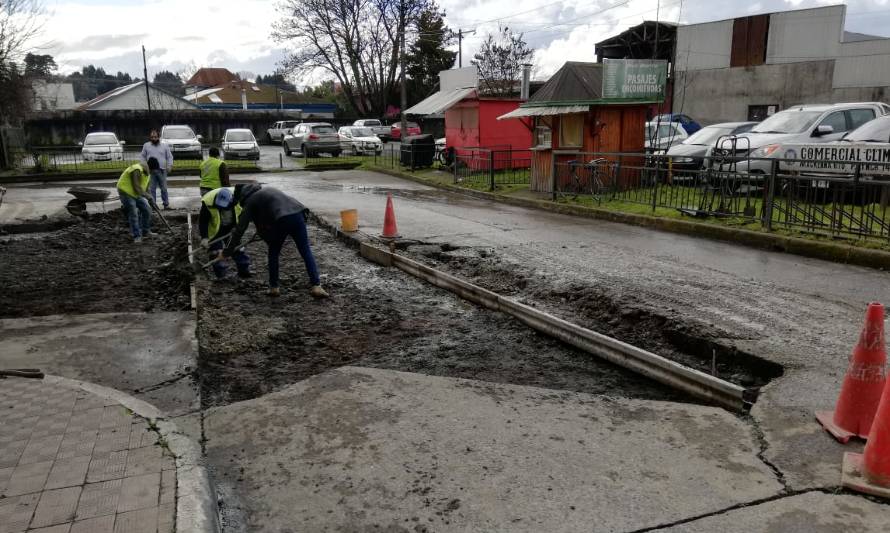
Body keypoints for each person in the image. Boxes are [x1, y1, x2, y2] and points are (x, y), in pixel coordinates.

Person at [223, 183, 328, 298]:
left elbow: (239, 229)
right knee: (305, 251)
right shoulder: (267, 191)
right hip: (298, 214)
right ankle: (316, 286)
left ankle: (274, 287)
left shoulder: (250, 201)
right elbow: (265, 221)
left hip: (281, 219)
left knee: (273, 252)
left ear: (242, 197)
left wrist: (227, 251)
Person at [198, 187, 251, 280]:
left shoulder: (239, 198)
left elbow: (244, 214)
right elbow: (203, 221)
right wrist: (204, 237)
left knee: (237, 248)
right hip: (215, 229)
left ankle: (244, 271)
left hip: (231, 227)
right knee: (215, 252)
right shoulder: (208, 201)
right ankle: (221, 276)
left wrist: (237, 227)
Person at [116, 158, 155, 243]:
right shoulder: (136, 169)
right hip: (126, 192)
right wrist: (148, 197)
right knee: (133, 213)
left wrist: (151, 198)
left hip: (136, 193)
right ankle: (136, 236)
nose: (152, 173)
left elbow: (146, 189)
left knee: (147, 209)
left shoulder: (147, 174)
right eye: (152, 171)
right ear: (149, 167)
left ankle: (146, 231)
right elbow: (136, 187)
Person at [140, 129, 174, 209]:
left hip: (162, 170)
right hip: (150, 171)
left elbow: (169, 157)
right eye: (152, 137)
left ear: (159, 137)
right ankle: (153, 206)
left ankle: (166, 204)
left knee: (164, 188)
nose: (153, 139)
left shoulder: (164, 146)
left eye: (155, 137)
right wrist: (145, 166)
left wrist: (170, 166)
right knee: (152, 189)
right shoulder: (146, 145)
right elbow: (142, 157)